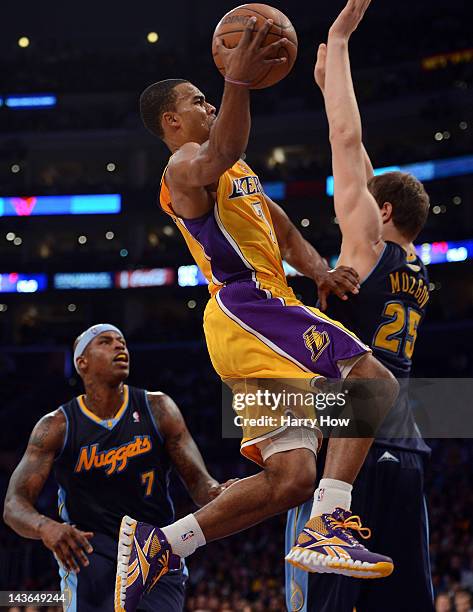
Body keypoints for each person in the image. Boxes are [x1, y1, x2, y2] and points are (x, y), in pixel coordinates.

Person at [115, 16, 400, 612]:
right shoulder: (183, 167)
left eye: (210, 95)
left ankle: (163, 544)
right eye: (197, 100)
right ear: (172, 122)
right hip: (253, 307)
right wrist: (238, 84)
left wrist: (319, 269)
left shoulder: (236, 174)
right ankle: (331, 520)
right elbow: (225, 147)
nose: (208, 103)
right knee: (373, 384)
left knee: (292, 478)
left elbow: (281, 224)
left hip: (256, 320)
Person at [285, 1, 433, 610]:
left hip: (355, 447)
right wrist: (326, 85)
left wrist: (339, 40)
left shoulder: (366, 243)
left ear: (384, 214)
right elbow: (364, 169)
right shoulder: (415, 270)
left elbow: (347, 142)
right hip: (407, 448)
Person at [3, 324, 233, 612]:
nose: (119, 346)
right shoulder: (56, 426)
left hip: (154, 549)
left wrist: (217, 491)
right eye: (105, 341)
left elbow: (200, 484)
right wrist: (44, 526)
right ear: (81, 363)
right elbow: (13, 504)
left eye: (122, 341)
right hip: (89, 553)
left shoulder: (159, 408)